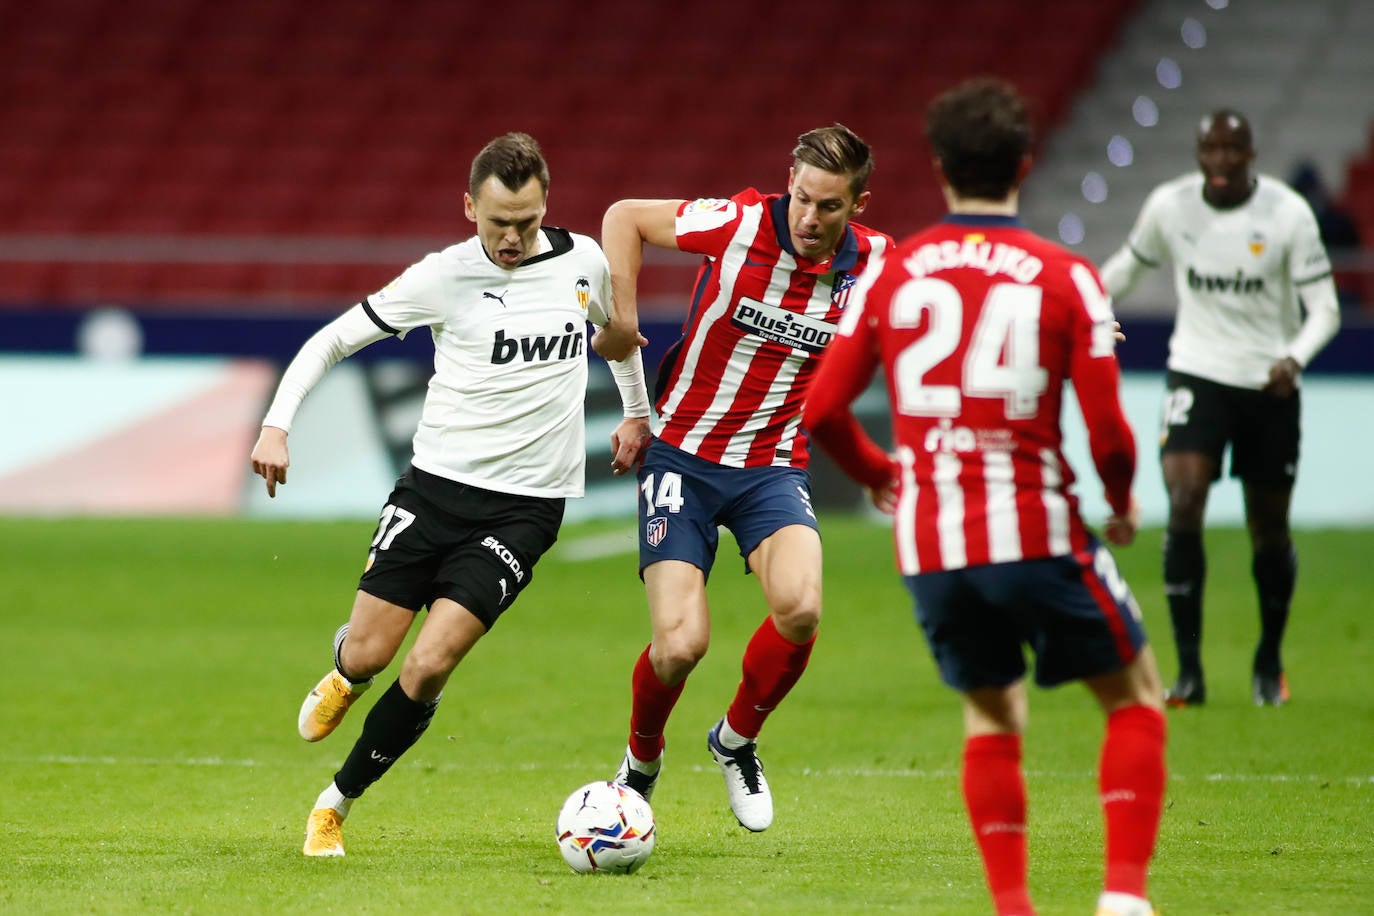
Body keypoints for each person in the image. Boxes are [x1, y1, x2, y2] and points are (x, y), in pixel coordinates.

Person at [803, 78, 1167, 916]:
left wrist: (882, 476)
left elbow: (821, 411)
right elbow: (1108, 430)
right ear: (1025, 166)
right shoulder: (1065, 276)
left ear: (938, 171)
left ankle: (1012, 908)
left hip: (932, 544)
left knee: (993, 716)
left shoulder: (894, 278)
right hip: (1032, 527)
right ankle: (1123, 898)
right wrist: (1118, 500)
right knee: (1136, 698)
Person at [249, 132, 652, 857]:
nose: (512, 236)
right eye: (498, 221)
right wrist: (277, 425)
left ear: (545, 207)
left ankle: (332, 805)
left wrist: (636, 414)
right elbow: (331, 341)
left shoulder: (585, 260)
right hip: (434, 491)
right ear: (469, 207)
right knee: (372, 653)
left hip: (526, 508)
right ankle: (346, 670)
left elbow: (618, 336)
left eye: (526, 221)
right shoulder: (442, 278)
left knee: (430, 663)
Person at [591, 124, 893, 832]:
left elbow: (959, 287)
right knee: (678, 646)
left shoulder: (878, 261)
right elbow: (623, 217)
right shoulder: (736, 222)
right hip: (681, 458)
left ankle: (736, 741)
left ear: (859, 205)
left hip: (772, 467)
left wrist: (1073, 323)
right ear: (789, 182)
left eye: (829, 207)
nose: (810, 219)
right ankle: (641, 758)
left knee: (801, 607)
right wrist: (624, 316)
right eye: (802, 199)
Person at [1101, 110, 1342, 707]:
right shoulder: (1171, 206)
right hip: (1197, 372)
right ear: (1198, 151)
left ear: (1250, 152)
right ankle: (1188, 673)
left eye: (1232, 149)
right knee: (1184, 502)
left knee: (1268, 530)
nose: (1220, 160)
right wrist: (1092, 310)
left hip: (1269, 381)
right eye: (1210, 147)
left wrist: (1295, 358)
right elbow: (1125, 269)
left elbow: (1327, 309)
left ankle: (1268, 661)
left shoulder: (1287, 214)